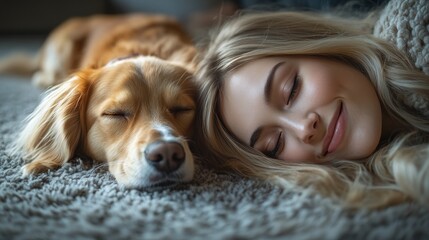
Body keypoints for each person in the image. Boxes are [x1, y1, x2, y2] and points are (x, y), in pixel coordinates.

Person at [195, 1, 429, 208]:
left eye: (292, 90)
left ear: (318, 45)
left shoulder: (415, 27)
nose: (303, 129)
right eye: (275, 145)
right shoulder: (391, 168)